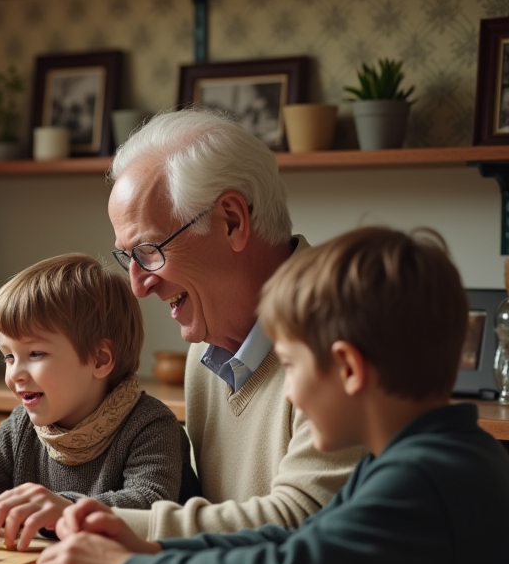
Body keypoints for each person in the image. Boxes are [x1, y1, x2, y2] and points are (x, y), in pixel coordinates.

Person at [35, 227, 509, 564]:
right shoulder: (411, 459)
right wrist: (151, 551)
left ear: (348, 368)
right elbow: (295, 541)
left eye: (289, 366)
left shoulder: (426, 479)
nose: (292, 394)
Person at [106, 107, 363, 539]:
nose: (138, 286)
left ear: (232, 220)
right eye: (127, 257)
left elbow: (304, 525)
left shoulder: (343, 335)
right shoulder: (204, 352)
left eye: (149, 250)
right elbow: (213, 523)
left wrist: (90, 520)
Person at [0, 254, 197, 546]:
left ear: (99, 359)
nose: (15, 374)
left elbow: (149, 506)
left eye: (35, 354)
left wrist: (63, 510)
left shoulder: (150, 425)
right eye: (8, 356)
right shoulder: (22, 428)